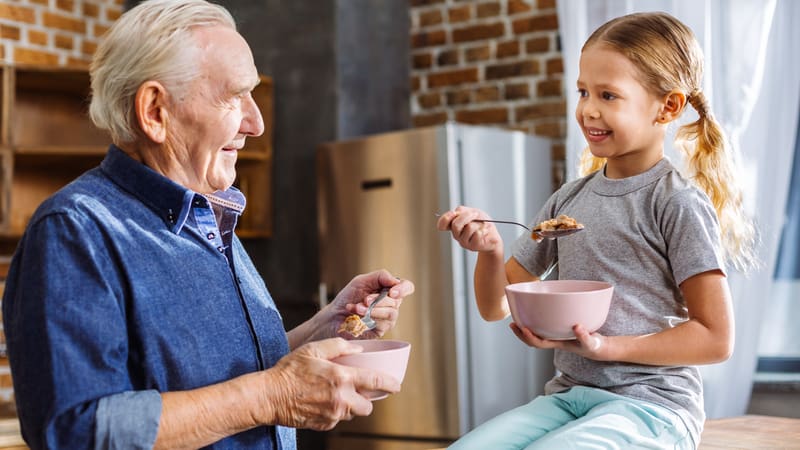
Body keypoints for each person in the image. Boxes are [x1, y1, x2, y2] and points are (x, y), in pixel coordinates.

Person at [1, 0, 414, 448]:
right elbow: (75, 432)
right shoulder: (75, 232)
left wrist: (325, 328)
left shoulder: (210, 217)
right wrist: (274, 396)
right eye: (235, 95)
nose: (256, 123)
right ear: (155, 111)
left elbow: (220, 376)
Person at [437, 11, 757, 450]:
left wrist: (608, 348)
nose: (588, 109)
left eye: (608, 95)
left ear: (668, 106)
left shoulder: (676, 202)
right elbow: (496, 306)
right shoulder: (568, 199)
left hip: (653, 407)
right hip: (569, 397)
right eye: (583, 91)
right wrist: (490, 251)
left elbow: (716, 339)